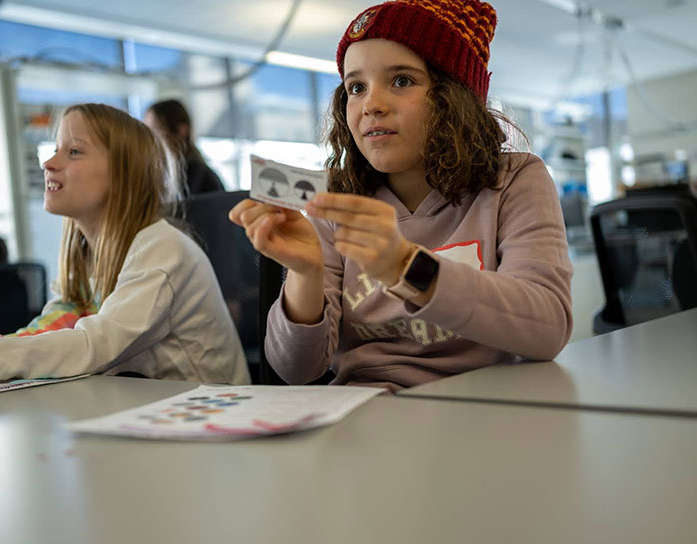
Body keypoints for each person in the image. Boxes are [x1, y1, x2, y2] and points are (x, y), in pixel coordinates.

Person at [229, 0, 573, 392]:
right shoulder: (337, 200)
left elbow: (548, 329)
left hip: (488, 412)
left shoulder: (515, 179)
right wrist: (306, 276)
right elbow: (296, 370)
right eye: (356, 87)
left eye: (402, 80)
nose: (371, 105)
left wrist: (406, 266)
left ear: (454, 98)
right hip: (367, 418)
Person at [0, 103, 250, 385]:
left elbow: (89, 347)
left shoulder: (161, 249)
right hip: (156, 421)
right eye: (55, 149)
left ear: (124, 174)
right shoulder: (88, 257)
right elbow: (48, 336)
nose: (49, 163)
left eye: (74, 151)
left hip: (211, 430)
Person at [144, 99, 226, 195]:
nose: (150, 138)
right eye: (147, 131)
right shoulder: (162, 174)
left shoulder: (198, 176)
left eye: (156, 129)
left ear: (181, 130)